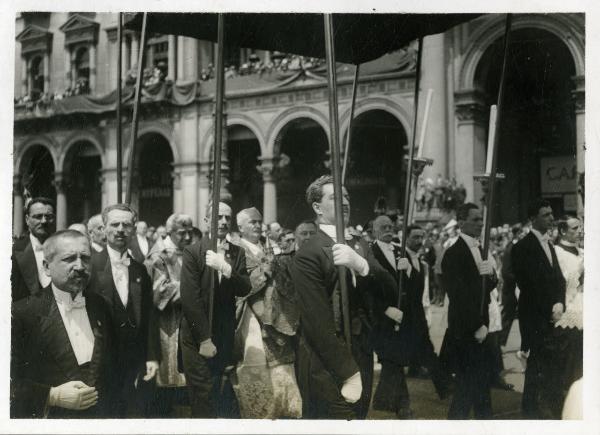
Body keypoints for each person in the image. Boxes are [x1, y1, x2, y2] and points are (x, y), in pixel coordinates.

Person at [291, 175, 388, 419]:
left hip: (361, 353)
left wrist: (362, 265)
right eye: (335, 197)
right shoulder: (309, 252)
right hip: (325, 364)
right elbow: (316, 322)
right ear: (317, 207)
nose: (344, 202)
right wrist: (348, 372)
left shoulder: (360, 245)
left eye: (346, 196)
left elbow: (391, 289)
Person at [11, 230, 113, 418]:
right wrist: (52, 395)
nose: (80, 266)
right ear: (47, 267)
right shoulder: (21, 313)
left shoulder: (101, 306)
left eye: (85, 258)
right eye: (69, 259)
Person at [370, 218, 449, 418]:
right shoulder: (370, 252)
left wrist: (409, 270)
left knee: (393, 361)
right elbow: (367, 289)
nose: (388, 230)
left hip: (404, 317)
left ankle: (390, 402)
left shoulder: (401, 251)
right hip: (383, 318)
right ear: (374, 231)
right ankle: (400, 405)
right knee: (391, 360)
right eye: (384, 228)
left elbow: (415, 287)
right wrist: (385, 309)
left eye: (391, 227)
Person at [179, 202, 251, 418]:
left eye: (228, 218)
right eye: (218, 217)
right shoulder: (193, 252)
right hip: (196, 335)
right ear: (207, 220)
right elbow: (190, 298)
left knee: (216, 392)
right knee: (203, 395)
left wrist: (226, 268)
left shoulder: (237, 252)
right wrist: (204, 339)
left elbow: (245, 287)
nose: (223, 222)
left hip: (223, 332)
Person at [88, 204, 160, 417]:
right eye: (115, 224)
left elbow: (149, 318)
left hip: (134, 363)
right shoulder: (90, 266)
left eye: (126, 225)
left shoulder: (140, 270)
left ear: (134, 229)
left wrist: (152, 357)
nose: (120, 229)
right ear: (104, 228)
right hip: (101, 362)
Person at [230, 207, 302, 418]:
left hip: (279, 314)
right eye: (252, 222)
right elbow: (238, 286)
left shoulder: (269, 247)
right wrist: (265, 273)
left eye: (259, 221)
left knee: (282, 372)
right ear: (240, 227)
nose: (257, 225)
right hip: (251, 316)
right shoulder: (236, 250)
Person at [512, 199, 566, 418]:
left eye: (551, 214)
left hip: (552, 312)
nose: (551, 218)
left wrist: (560, 302)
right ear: (533, 219)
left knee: (549, 362)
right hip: (534, 315)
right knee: (536, 363)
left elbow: (559, 279)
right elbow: (529, 285)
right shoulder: (522, 248)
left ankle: (547, 405)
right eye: (546, 215)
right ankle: (531, 409)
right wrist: (549, 307)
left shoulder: (550, 245)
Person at [442, 203, 496, 419]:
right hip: (466, 329)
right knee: (466, 388)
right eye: (475, 219)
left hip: (481, 325)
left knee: (480, 387)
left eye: (481, 219)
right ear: (461, 222)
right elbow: (459, 296)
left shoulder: (481, 249)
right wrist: (477, 325)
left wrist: (490, 276)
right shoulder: (453, 253)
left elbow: (487, 286)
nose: (480, 223)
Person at [146, 213, 195, 417]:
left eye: (189, 233)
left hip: (188, 320)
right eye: (181, 233)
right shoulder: (159, 254)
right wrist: (194, 291)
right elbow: (159, 291)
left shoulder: (188, 251)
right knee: (169, 376)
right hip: (167, 321)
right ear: (169, 232)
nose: (186, 237)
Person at [553, 216, 583, 408]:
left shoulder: (582, 252)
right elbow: (560, 283)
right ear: (563, 231)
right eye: (575, 228)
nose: (580, 231)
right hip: (567, 314)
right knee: (568, 366)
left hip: (584, 310)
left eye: (580, 227)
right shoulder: (557, 253)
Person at [12, 197, 57, 301]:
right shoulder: (12, 251)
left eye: (48, 216)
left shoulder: (64, 248)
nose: (44, 221)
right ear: (27, 220)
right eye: (38, 216)